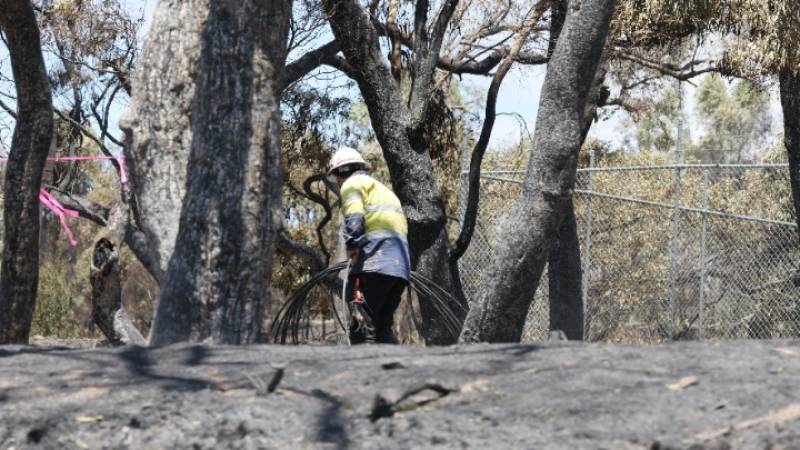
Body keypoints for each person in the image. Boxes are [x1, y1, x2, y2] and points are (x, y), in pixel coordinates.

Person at [327, 146, 411, 344]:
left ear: (340, 173)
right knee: (383, 328)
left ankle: (363, 363)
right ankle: (393, 363)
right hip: (399, 269)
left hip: (374, 265)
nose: (337, 183)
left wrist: (352, 248)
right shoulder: (382, 190)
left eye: (336, 177)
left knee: (363, 328)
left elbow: (354, 218)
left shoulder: (351, 185)